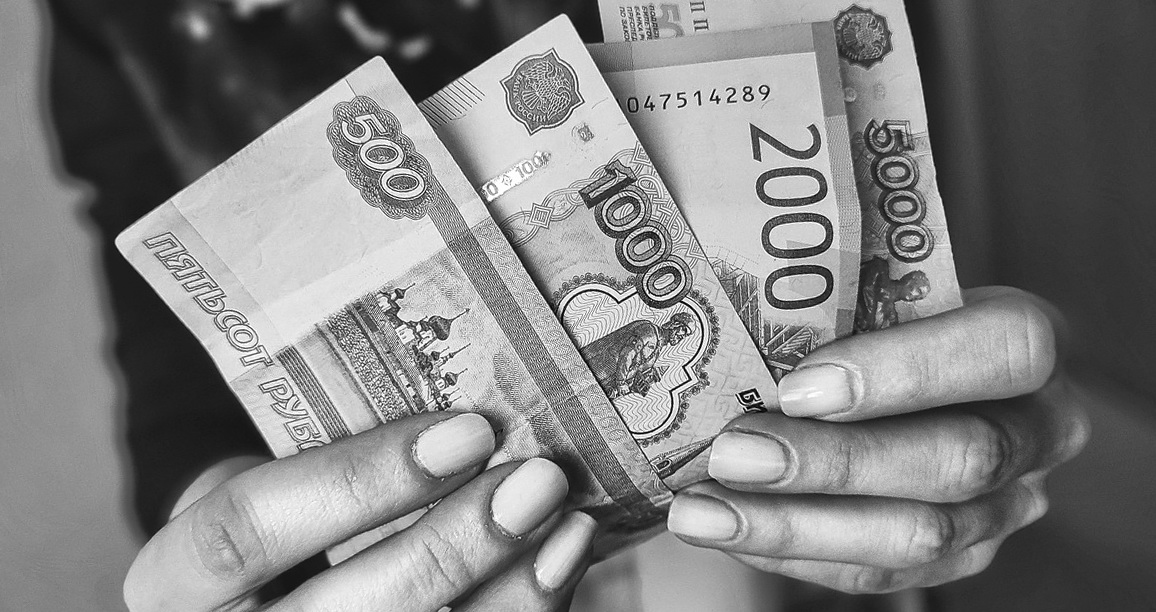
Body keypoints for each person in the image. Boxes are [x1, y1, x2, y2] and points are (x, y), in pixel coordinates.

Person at [43, 0, 1091, 609]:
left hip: (803, 569)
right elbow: (177, 353)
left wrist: (963, 390)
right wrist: (241, 548)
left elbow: (895, 173)